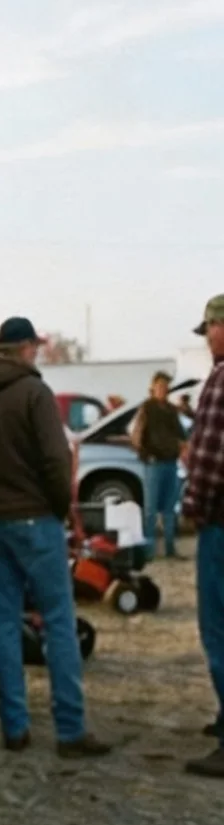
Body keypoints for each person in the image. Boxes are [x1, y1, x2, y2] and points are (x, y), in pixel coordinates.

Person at [0, 316, 110, 758]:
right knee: (59, 621)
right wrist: (58, 509)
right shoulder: (35, 394)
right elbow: (56, 461)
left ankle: (15, 728)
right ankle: (70, 731)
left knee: (5, 622)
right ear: (25, 348)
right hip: (36, 521)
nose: (38, 353)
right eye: (35, 347)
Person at [182, 294, 224, 779]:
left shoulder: (220, 379)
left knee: (218, 628)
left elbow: (210, 457)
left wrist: (192, 504)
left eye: (210, 328)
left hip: (220, 522)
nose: (208, 338)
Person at [131, 371, 186, 558]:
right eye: (160, 386)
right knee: (150, 509)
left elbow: (181, 434)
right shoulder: (147, 408)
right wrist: (145, 455)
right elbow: (137, 434)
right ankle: (149, 550)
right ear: (153, 387)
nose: (163, 389)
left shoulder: (171, 410)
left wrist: (183, 448)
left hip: (171, 462)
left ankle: (170, 548)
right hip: (153, 463)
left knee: (170, 508)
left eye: (166, 386)